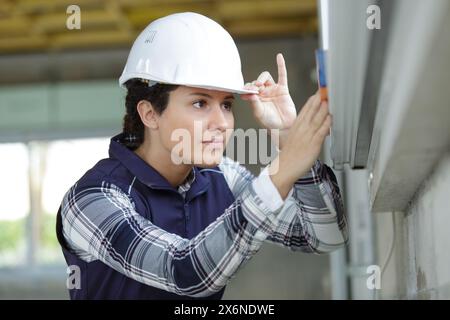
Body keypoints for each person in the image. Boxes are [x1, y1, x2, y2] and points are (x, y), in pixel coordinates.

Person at [56, 12, 348, 300]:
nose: (221, 123)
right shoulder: (92, 199)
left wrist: (290, 142)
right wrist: (281, 173)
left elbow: (325, 236)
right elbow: (185, 273)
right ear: (149, 113)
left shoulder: (223, 176)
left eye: (226, 105)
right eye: (200, 103)